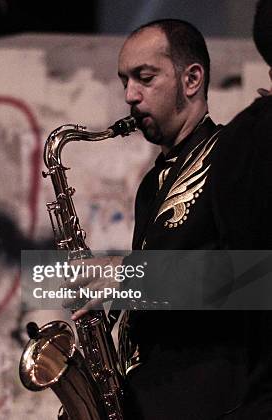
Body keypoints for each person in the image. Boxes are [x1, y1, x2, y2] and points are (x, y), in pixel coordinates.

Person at [70, 12, 272, 419]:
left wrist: (129, 276)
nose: (130, 94)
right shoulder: (151, 185)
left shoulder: (232, 155)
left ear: (192, 79)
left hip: (214, 401)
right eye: (124, 80)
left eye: (145, 78)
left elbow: (254, 277)